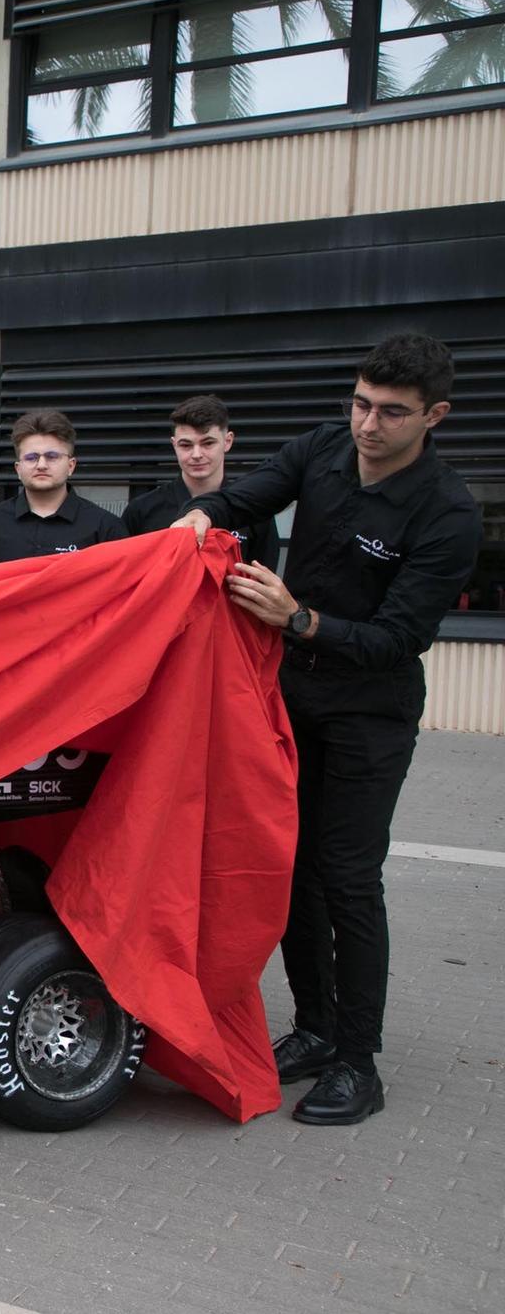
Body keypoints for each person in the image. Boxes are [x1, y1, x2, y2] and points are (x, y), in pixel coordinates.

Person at [173, 333, 481, 1127]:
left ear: (434, 416)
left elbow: (395, 639)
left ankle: (357, 1060)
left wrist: (298, 618)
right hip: (288, 703)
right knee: (290, 867)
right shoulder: (322, 449)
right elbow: (241, 497)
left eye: (390, 413)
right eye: (360, 403)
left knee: (347, 877)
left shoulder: (449, 512)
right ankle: (313, 1026)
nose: (368, 424)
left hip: (369, 718)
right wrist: (196, 519)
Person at [122, 394, 278, 568]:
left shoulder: (253, 509)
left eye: (208, 443)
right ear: (174, 445)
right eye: (186, 445)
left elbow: (262, 583)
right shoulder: (141, 511)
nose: (196, 454)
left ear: (228, 441)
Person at [0, 410, 126, 565]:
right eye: (31, 457)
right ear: (18, 469)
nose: (41, 465)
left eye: (52, 456)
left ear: (71, 466)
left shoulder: (105, 527)